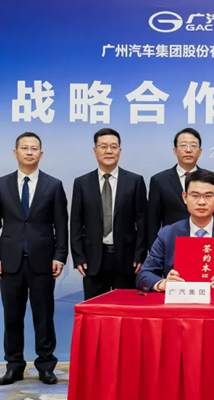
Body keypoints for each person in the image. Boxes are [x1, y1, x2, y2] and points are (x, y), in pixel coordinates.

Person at [0, 132, 68, 385]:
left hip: (43, 262)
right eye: (25, 148)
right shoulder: (2, 184)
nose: (29, 152)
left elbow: (61, 225)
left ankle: (46, 365)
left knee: (44, 316)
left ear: (41, 153)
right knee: (12, 317)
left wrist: (60, 256)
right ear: (15, 152)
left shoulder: (53, 185)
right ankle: (14, 366)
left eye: (34, 148)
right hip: (10, 262)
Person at [137, 170, 214, 292]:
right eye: (195, 195)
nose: (201, 202)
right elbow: (144, 274)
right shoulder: (168, 234)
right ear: (185, 197)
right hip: (180, 301)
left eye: (208, 196)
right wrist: (162, 283)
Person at [70, 128, 147, 300]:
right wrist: (78, 257)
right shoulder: (82, 183)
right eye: (103, 146)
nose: (109, 151)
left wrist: (140, 255)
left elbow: (143, 222)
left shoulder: (135, 181)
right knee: (95, 310)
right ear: (95, 150)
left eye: (113, 146)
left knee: (125, 309)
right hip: (93, 260)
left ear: (120, 150)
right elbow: (76, 223)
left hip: (127, 260)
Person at [147, 127, 214, 245]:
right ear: (175, 151)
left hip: (206, 245)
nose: (188, 150)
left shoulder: (213, 179)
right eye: (183, 145)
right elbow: (152, 222)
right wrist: (154, 249)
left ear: (200, 151)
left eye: (193, 146)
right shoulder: (159, 180)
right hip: (172, 245)